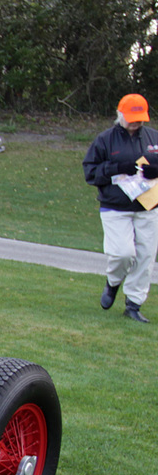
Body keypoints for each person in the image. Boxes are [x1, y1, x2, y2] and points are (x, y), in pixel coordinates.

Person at [83, 93, 158, 323]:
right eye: (132, 118)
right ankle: (113, 283)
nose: (136, 122)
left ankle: (133, 304)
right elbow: (90, 172)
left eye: (140, 118)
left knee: (146, 256)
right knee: (123, 253)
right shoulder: (105, 140)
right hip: (115, 207)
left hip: (149, 205)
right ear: (120, 115)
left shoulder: (154, 137)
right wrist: (116, 168)